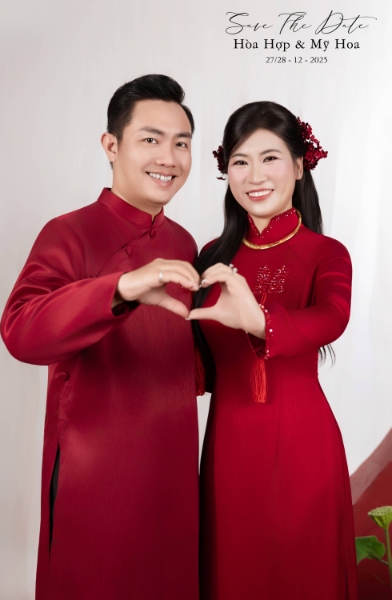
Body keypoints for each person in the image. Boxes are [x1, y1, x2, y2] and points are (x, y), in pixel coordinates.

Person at [0, 74, 201, 600]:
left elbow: (190, 367)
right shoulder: (69, 232)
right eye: (151, 139)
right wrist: (121, 288)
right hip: (96, 480)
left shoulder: (185, 244)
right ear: (111, 145)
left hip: (175, 479)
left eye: (181, 144)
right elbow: (20, 330)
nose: (169, 158)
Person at [189, 101, 358, 599]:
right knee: (232, 574)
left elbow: (333, 318)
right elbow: (194, 362)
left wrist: (260, 322)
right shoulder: (210, 256)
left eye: (270, 158)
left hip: (304, 444)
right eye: (240, 161)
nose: (255, 175)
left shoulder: (327, 254)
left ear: (300, 166)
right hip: (228, 449)